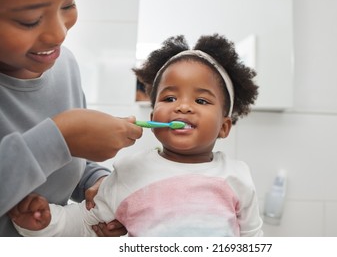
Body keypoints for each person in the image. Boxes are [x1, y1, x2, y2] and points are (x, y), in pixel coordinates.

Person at [11, 34, 262, 237]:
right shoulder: (130, 172)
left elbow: (253, 239)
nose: (183, 107)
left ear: (224, 127)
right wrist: (43, 221)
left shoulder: (237, 177)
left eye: (200, 100)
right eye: (170, 98)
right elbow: (86, 223)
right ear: (153, 115)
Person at [0, 0, 142, 236]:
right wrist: (60, 138)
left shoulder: (65, 64)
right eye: (30, 19)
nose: (59, 34)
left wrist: (97, 182)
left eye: (68, 4)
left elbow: (71, 162)